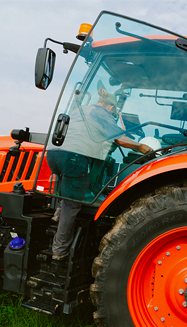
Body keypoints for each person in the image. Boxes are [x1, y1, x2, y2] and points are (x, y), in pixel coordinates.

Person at [46, 82, 152, 261]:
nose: (113, 113)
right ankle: (59, 251)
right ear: (110, 106)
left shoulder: (83, 110)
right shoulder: (102, 114)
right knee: (72, 205)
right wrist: (142, 146)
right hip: (74, 157)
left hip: (54, 154)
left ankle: (57, 213)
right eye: (114, 110)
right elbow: (119, 139)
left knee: (67, 183)